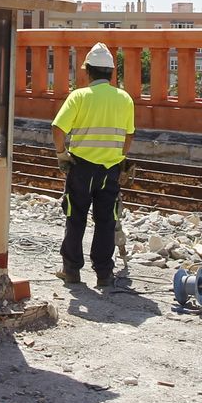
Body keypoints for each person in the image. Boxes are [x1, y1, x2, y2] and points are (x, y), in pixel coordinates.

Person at [51, 42, 136, 288]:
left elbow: (58, 128)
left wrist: (61, 154)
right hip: (110, 169)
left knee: (75, 217)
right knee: (106, 220)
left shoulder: (79, 96)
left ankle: (72, 271)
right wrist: (120, 158)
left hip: (82, 168)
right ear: (111, 72)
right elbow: (129, 135)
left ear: (87, 70)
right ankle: (104, 274)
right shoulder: (125, 99)